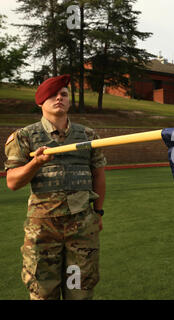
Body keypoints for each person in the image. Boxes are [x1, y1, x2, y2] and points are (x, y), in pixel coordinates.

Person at [4, 74, 107, 300]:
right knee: (43, 292)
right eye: (53, 95)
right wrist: (35, 163)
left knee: (79, 291)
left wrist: (98, 212)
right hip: (43, 229)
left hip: (82, 227)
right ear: (41, 101)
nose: (59, 98)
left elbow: (98, 174)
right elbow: (12, 182)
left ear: (69, 101)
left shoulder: (88, 136)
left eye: (63, 94)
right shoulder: (24, 137)